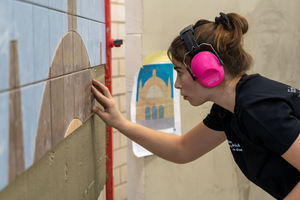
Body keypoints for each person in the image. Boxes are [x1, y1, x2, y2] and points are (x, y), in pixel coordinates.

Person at [91, 12, 300, 199]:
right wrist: (119, 122)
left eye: (180, 72)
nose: (176, 84)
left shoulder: (257, 109)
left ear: (206, 70)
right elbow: (183, 149)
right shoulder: (228, 109)